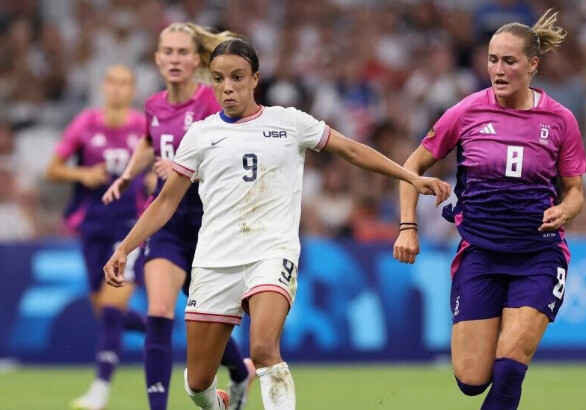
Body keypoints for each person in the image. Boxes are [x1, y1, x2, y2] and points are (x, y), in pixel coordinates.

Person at [103, 39, 449, 410]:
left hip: (271, 252)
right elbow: (166, 201)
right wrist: (125, 247)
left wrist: (409, 177)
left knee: (264, 349)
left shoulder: (289, 122)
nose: (227, 87)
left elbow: (350, 149)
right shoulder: (201, 135)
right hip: (215, 260)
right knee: (197, 382)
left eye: (237, 77)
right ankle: (223, 401)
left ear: (255, 79)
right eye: (219, 79)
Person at [393, 9, 586, 410]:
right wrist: (407, 226)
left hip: (538, 254)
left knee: (511, 366)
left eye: (509, 61)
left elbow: (575, 192)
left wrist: (566, 211)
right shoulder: (466, 112)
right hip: (480, 254)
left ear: (532, 65)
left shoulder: (561, 120)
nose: (498, 69)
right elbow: (410, 167)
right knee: (471, 379)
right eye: (492, 59)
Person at [101, 23, 253, 410]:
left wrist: (190, 168)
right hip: (166, 221)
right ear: (156, 58)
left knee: (209, 324)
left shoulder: (211, 102)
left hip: (208, 223)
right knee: (159, 310)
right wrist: (126, 175)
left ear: (197, 59)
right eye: (167, 51)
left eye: (182, 52)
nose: (173, 59)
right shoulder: (153, 105)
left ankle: (240, 373)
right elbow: (149, 143)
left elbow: (233, 155)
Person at [45, 64, 148, 410]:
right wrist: (82, 172)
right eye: (112, 82)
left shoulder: (143, 125)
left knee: (110, 308)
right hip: (92, 227)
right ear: (104, 87)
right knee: (105, 312)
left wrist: (152, 181)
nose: (117, 88)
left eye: (124, 83)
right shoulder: (85, 123)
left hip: (131, 228)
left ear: (132, 89)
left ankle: (100, 392)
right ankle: (159, 328)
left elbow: (165, 164)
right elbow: (53, 168)